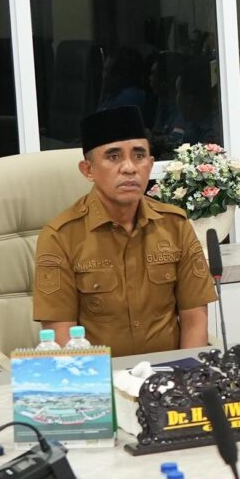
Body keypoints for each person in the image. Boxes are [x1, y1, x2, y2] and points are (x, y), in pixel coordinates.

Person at [30, 104, 219, 355]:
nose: (129, 167)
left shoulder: (175, 225)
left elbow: (195, 319)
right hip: (100, 376)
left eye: (139, 156)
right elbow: (61, 338)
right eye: (114, 157)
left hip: (169, 374)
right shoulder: (60, 236)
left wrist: (187, 373)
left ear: (150, 164)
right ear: (88, 170)